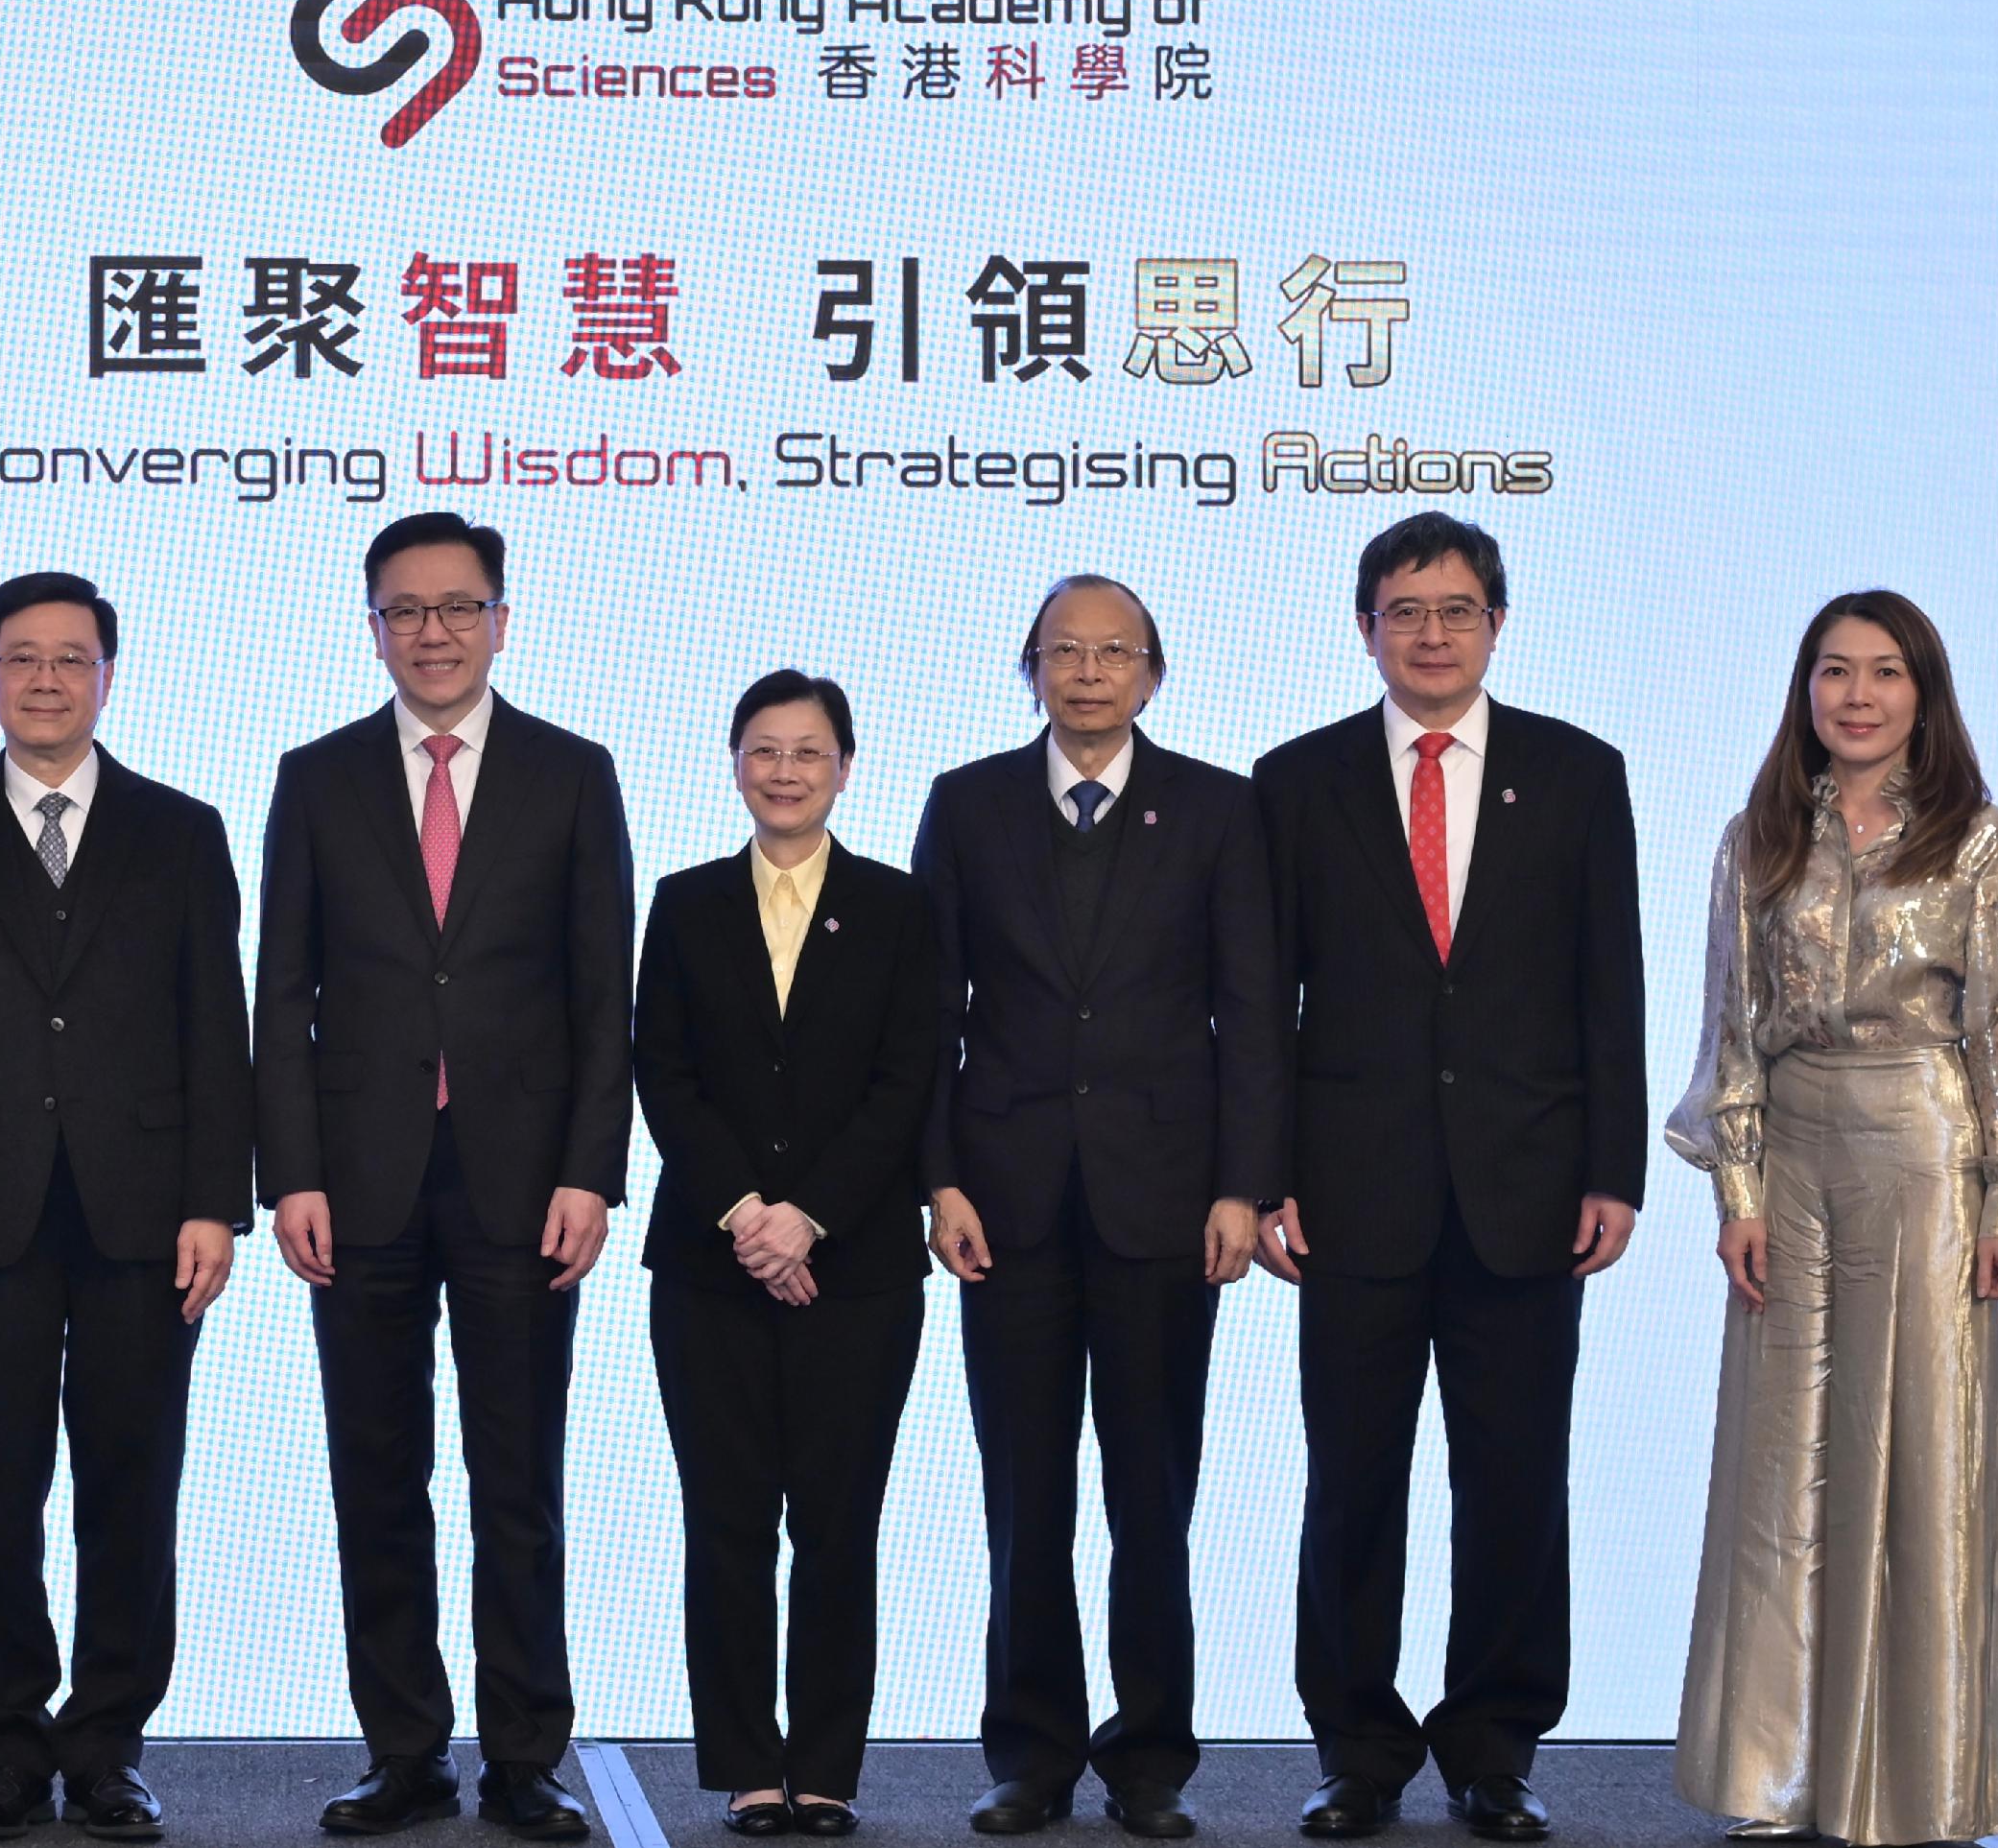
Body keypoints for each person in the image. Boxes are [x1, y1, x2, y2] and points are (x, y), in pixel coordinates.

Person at [1666, 591, 1998, 1847]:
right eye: (1833, 671)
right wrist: (1735, 1189)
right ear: (1803, 690)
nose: (1856, 694)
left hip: (1924, 1152)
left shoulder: (1982, 845)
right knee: (1782, 1467)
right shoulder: (1756, 841)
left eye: (1884, 672)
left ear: (1924, 692)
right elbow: (1729, 1028)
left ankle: (1932, 1779)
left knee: (1926, 1454)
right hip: (1790, 1157)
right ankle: (1782, 1776)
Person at [1250, 512, 1644, 1844]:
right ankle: (1356, 1746)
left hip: (1529, 1187)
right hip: (1350, 1190)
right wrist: (1263, 1176)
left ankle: (1495, 1744)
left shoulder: (1580, 774)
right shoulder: (1295, 782)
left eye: (1456, 608)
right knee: (1352, 1479)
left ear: (1496, 621)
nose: (1431, 631)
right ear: (1365, 624)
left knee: (1516, 1476)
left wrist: (1614, 1167)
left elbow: (1612, 990)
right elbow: (1262, 1006)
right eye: (1405, 608)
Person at [0, 573, 254, 1842]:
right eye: (20, 658)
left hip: (145, 1209)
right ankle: (7, 1741)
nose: (44, 679)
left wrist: (216, 1202)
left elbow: (218, 1031)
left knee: (131, 1481)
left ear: (107, 677)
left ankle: (111, 1742)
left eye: (69, 659)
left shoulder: (181, 831)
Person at [256, 510, 634, 1840]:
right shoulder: (316, 777)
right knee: (378, 1476)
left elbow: (605, 996)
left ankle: (526, 1756)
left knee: (516, 1479)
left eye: (456, 607)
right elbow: (282, 990)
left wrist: (594, 1171)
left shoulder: (573, 774)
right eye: (405, 610)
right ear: (373, 629)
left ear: (500, 621)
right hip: (355, 1186)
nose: (432, 631)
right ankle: (403, 1750)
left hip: (524, 1185)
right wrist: (288, 1169)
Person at [916, 580, 1286, 1841]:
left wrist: (1245, 1184)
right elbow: (927, 1014)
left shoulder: (1222, 809)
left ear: (1151, 671)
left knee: (1151, 1495)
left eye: (1112, 651)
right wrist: (938, 1174)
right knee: (1024, 1495)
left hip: (1166, 1202)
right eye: (1064, 652)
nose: (1088, 672)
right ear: (1033, 668)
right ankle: (1029, 1752)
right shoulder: (966, 804)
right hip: (1002, 1205)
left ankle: (1150, 1762)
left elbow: (1253, 1015)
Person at [632, 672, 938, 1839]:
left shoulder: (900, 906)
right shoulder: (685, 899)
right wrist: (748, 1213)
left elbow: (905, 1080)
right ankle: (747, 1766)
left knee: (837, 1521)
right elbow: (664, 1070)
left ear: (845, 767)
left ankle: (827, 1765)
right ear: (734, 762)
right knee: (725, 1519)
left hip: (854, 1268)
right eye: (763, 749)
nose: (786, 770)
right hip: (709, 1266)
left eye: (809, 751)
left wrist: (807, 1214)